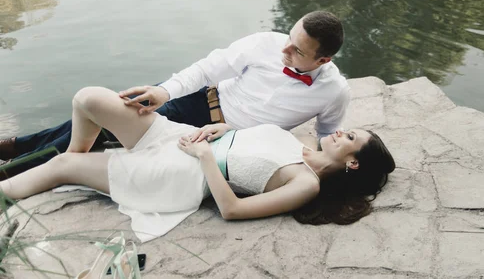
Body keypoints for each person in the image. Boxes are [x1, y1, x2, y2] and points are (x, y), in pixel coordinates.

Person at [0, 86, 396, 242]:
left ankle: (27, 184)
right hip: (182, 137)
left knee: (59, 167)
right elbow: (248, 140)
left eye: (350, 138)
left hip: (180, 174)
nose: (341, 132)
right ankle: (83, 158)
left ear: (353, 164)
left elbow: (233, 209)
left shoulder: (306, 184)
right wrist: (218, 130)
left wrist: (206, 158)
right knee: (88, 99)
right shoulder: (303, 141)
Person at [0, 11, 350, 176]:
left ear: (323, 59)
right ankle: (18, 159)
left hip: (229, 143)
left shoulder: (333, 91)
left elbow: (324, 136)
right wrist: (164, 91)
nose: (284, 49)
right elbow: (206, 69)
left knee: (110, 135)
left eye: (297, 51)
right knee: (110, 119)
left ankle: (18, 152)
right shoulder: (264, 43)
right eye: (289, 37)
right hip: (199, 105)